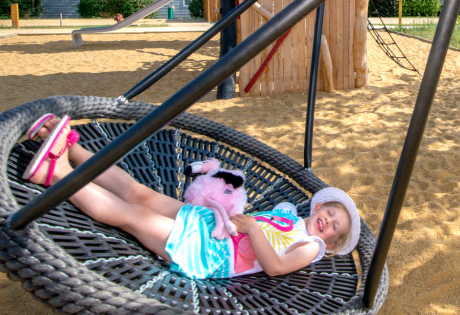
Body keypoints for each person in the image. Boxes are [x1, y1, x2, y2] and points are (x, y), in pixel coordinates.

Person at [21, 114, 361, 278]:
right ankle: (72, 147)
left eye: (334, 226)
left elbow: (275, 267)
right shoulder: (289, 216)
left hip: (208, 253)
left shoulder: (311, 247)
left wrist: (254, 230)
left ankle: (57, 175)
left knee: (133, 215)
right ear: (318, 206)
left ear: (331, 244)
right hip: (206, 223)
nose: (328, 221)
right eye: (330, 212)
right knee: (138, 193)